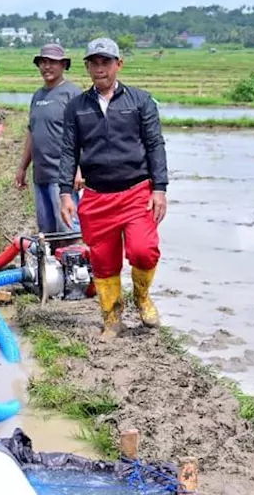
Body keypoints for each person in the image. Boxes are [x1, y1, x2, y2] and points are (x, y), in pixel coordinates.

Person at [57, 38, 169, 339]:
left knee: (143, 250)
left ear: (119, 64)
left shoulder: (140, 101)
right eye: (94, 62)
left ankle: (142, 298)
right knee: (103, 261)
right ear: (87, 66)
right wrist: (65, 192)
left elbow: (155, 144)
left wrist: (160, 188)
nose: (99, 68)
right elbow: (69, 151)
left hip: (136, 192)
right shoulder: (77, 107)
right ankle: (111, 317)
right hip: (95, 195)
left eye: (106, 62)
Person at [14, 43, 84, 234]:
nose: (46, 67)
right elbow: (32, 132)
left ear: (63, 65)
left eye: (52, 62)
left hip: (63, 177)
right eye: (43, 62)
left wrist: (79, 169)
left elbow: (83, 134)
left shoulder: (72, 93)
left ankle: (75, 263)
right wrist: (22, 167)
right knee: (47, 232)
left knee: (69, 228)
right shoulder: (38, 95)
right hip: (41, 175)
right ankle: (52, 264)